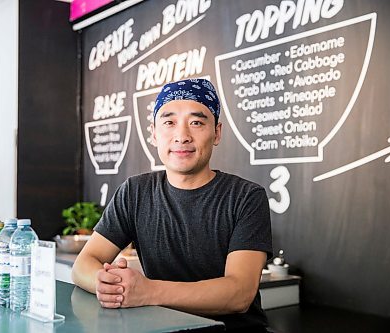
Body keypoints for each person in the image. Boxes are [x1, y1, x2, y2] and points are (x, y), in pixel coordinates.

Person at [72, 78, 273, 332]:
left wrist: (147, 292)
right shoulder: (135, 192)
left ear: (217, 133)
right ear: (154, 134)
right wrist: (108, 283)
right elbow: (84, 263)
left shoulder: (246, 197)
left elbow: (239, 293)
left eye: (197, 122)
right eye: (169, 122)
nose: (182, 136)